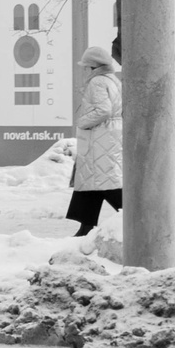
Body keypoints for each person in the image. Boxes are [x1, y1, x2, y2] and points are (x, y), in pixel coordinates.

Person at [67, 44, 123, 236]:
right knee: (92, 181)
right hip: (109, 136)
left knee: (106, 183)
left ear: (93, 66)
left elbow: (103, 110)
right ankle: (85, 227)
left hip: (98, 137)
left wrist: (82, 122)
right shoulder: (113, 80)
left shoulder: (97, 82)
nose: (84, 69)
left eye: (86, 66)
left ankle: (134, 218)